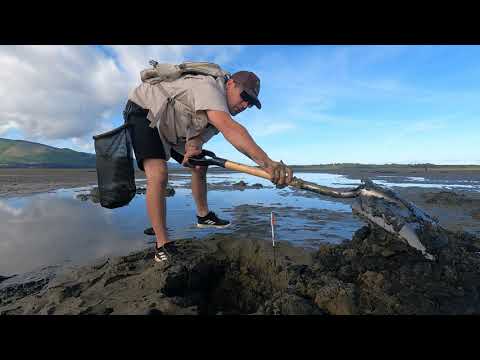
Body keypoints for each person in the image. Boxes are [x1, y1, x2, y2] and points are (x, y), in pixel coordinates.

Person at [123, 67, 294, 263]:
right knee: (158, 173)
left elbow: (196, 139)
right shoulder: (210, 87)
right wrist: (269, 164)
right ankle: (162, 245)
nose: (245, 104)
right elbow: (231, 129)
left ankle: (203, 216)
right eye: (244, 96)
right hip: (144, 109)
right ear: (230, 84)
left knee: (199, 165)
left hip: (170, 124)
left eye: (251, 102)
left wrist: (193, 146)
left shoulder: (216, 115)